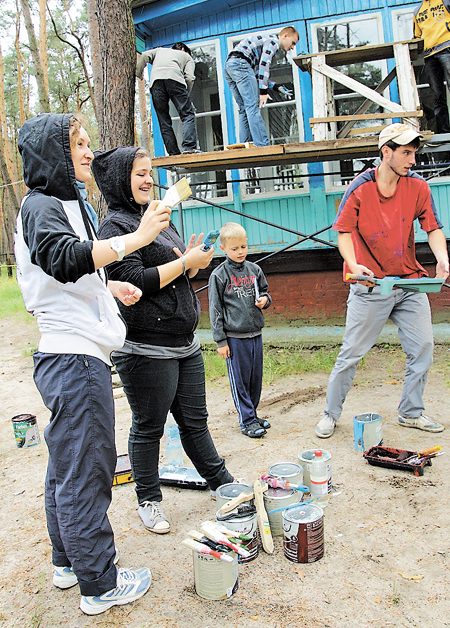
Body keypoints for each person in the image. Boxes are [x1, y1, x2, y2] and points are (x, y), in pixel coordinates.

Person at [14, 113, 171, 615]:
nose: (88, 151)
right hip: (73, 361)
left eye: (87, 142)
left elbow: (63, 275)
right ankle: (100, 584)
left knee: (66, 466)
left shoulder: (59, 204)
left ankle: (68, 562)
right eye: (77, 144)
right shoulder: (40, 205)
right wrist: (137, 240)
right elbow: (61, 257)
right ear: (53, 153)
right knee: (87, 471)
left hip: (68, 355)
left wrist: (108, 287)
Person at [92, 147, 235, 534]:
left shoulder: (155, 217)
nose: (147, 179)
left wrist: (190, 260)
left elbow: (171, 275)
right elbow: (134, 281)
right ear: (122, 178)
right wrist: (184, 264)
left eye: (149, 172)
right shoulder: (115, 228)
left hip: (183, 341)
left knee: (195, 422)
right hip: (145, 348)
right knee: (149, 426)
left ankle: (223, 483)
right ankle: (149, 501)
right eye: (139, 173)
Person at [315, 123, 450, 440]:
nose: (412, 159)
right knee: (351, 354)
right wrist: (353, 263)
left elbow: (432, 228)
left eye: (414, 152)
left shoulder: (418, 187)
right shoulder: (360, 188)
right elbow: (344, 233)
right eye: (406, 152)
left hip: (409, 284)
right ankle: (330, 415)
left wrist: (441, 257)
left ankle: (411, 412)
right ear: (385, 152)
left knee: (423, 348)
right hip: (370, 286)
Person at [208, 222, 272, 438]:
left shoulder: (255, 270)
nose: (240, 252)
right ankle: (246, 421)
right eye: (234, 249)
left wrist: (265, 300)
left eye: (243, 247)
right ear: (223, 249)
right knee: (240, 381)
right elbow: (215, 309)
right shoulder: (219, 275)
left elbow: (265, 291)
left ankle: (253, 415)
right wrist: (220, 341)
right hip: (234, 338)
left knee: (255, 379)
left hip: (255, 333)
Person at [224, 26, 299, 147]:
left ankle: (245, 143)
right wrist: (263, 92)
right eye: (293, 43)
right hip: (241, 63)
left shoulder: (265, 41)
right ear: (285, 36)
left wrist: (275, 87)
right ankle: (262, 144)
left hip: (230, 66)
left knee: (244, 108)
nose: (292, 47)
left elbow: (258, 73)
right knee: (252, 106)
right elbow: (264, 64)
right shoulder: (273, 41)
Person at [413, 0, 450, 134]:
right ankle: (445, 134)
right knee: (437, 97)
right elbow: (416, 36)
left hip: (449, 49)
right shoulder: (418, 11)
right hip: (430, 55)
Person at [136, 42, 199, 155]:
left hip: (156, 83)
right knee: (187, 114)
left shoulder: (159, 50)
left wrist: (139, 74)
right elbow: (189, 78)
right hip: (175, 80)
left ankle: (173, 153)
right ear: (184, 49)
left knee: (164, 120)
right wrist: (186, 94)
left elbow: (144, 56)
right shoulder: (187, 56)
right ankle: (189, 148)